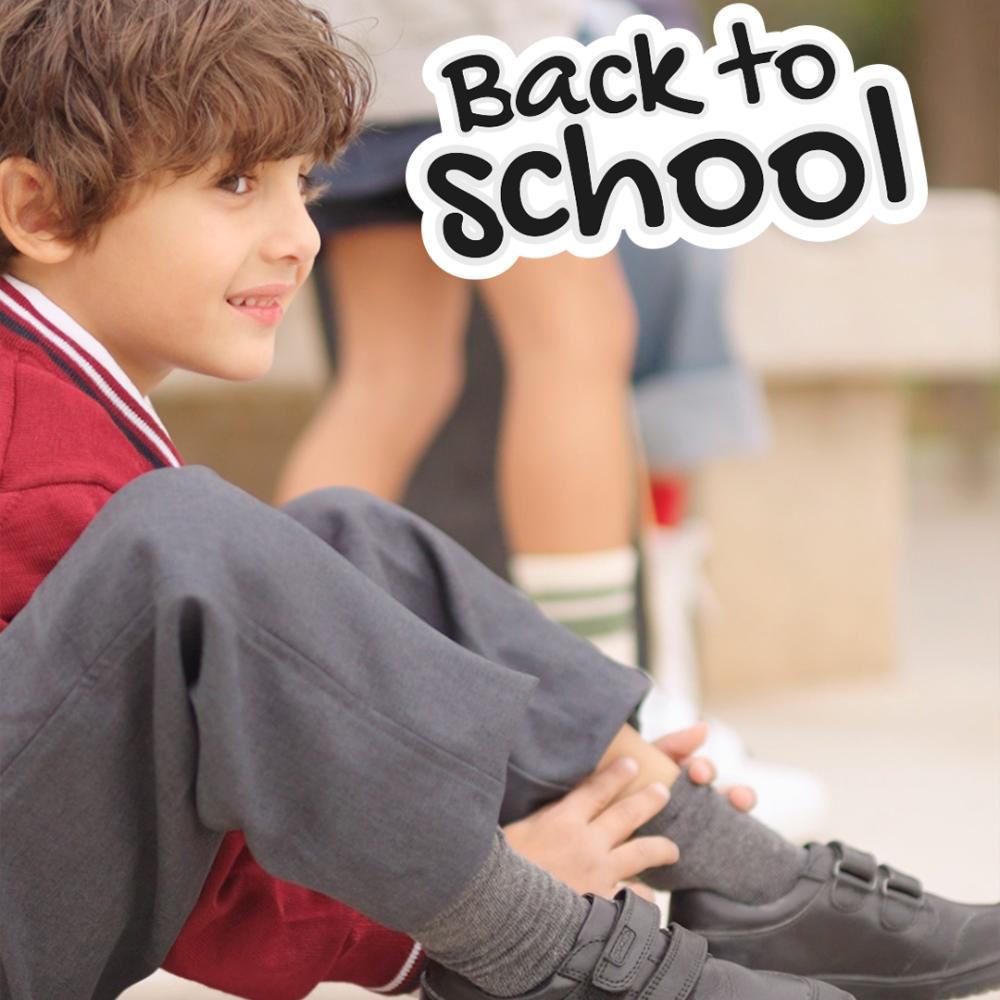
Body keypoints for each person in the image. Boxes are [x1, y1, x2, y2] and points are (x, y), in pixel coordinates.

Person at [0, 4, 997, 1000]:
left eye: (299, 186)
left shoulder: (54, 408)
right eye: (233, 185)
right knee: (190, 539)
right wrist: (450, 910)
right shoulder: (35, 452)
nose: (298, 238)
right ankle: (547, 948)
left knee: (342, 535)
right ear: (42, 211)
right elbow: (192, 882)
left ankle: (728, 874)